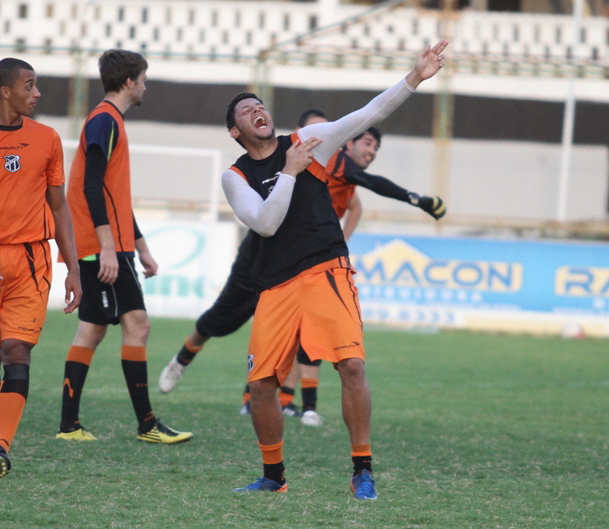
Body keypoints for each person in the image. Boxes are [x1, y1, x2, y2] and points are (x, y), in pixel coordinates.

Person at [221, 40, 448, 497]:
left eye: (260, 105)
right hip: (277, 284)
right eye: (246, 110)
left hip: (327, 268)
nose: (257, 110)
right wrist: (289, 172)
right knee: (261, 385)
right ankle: (273, 477)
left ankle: (362, 469)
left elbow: (367, 113)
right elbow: (265, 224)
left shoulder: (307, 141)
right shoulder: (235, 175)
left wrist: (414, 78)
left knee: (352, 365)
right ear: (235, 131)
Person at [159, 115, 446, 428]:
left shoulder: (335, 169)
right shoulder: (323, 159)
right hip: (262, 252)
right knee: (223, 317)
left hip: (306, 260)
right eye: (367, 143)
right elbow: (373, 182)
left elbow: (357, 205)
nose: (372, 151)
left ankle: (286, 403)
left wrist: (339, 244)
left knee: (302, 333)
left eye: (376, 147)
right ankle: (184, 357)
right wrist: (417, 199)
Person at [0, 57, 82, 478]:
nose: (37, 93)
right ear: (5, 91)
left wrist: (73, 268)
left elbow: (59, 208)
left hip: (31, 259)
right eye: (29, 85)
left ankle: (2, 448)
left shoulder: (47, 139)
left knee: (16, 350)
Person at [56, 49, 192, 445]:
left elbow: (113, 196)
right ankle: (146, 425)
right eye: (143, 79)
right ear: (129, 81)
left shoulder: (108, 119)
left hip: (105, 243)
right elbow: (91, 187)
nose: (145, 86)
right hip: (101, 245)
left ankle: (69, 426)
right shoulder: (104, 120)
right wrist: (108, 247)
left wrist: (141, 247)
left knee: (93, 329)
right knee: (136, 325)